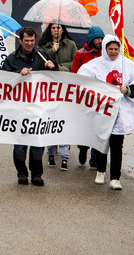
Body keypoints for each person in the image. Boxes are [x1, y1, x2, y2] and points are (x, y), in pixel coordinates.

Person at [78, 35, 134, 190]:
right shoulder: (95, 65)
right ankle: (100, 171)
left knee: (117, 145)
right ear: (105, 49)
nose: (113, 52)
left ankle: (115, 178)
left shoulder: (127, 65)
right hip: (102, 110)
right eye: (110, 49)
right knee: (102, 142)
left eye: (116, 49)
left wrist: (127, 90)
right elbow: (84, 81)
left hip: (120, 112)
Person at [1, 27, 55, 185]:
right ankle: (22, 172)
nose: (30, 44)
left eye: (32, 41)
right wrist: (18, 73)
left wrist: (53, 67)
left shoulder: (42, 55)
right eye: (27, 41)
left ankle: (37, 174)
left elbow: (57, 76)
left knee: (38, 143)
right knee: (20, 145)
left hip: (39, 107)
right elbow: (2, 79)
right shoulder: (12, 59)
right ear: (20, 41)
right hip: (19, 109)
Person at [40, 23, 77, 171]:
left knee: (64, 117)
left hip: (66, 86)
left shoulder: (71, 44)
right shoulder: (44, 45)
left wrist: (59, 66)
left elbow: (75, 62)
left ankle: (64, 154)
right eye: (53, 28)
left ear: (63, 30)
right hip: (50, 87)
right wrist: (51, 51)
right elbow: (41, 62)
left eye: (59, 28)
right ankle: (50, 151)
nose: (56, 30)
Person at [71, 25, 106, 167]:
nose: (99, 41)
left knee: (98, 126)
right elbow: (74, 74)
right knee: (85, 125)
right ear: (91, 39)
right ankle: (83, 148)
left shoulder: (106, 54)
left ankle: (95, 157)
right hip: (85, 96)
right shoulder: (80, 54)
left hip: (100, 96)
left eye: (101, 38)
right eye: (97, 38)